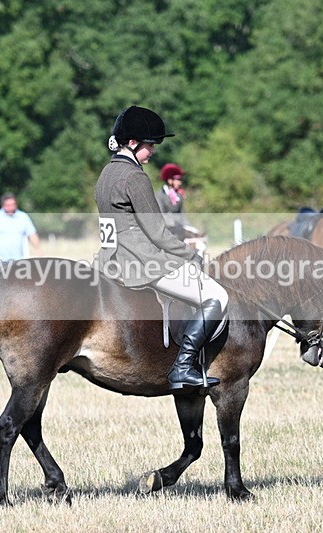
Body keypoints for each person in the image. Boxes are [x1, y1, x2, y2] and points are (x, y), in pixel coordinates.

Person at [94, 105, 229, 391]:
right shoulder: (135, 177)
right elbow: (157, 233)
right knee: (216, 295)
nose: (153, 152)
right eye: (150, 145)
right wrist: (192, 255)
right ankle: (182, 368)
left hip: (109, 259)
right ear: (132, 143)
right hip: (141, 261)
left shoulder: (106, 173)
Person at [0, 192, 41, 266]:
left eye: (13, 205)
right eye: (8, 205)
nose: (11, 208)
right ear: (2, 205)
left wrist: (38, 250)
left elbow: (32, 234)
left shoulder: (23, 217)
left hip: (18, 260)